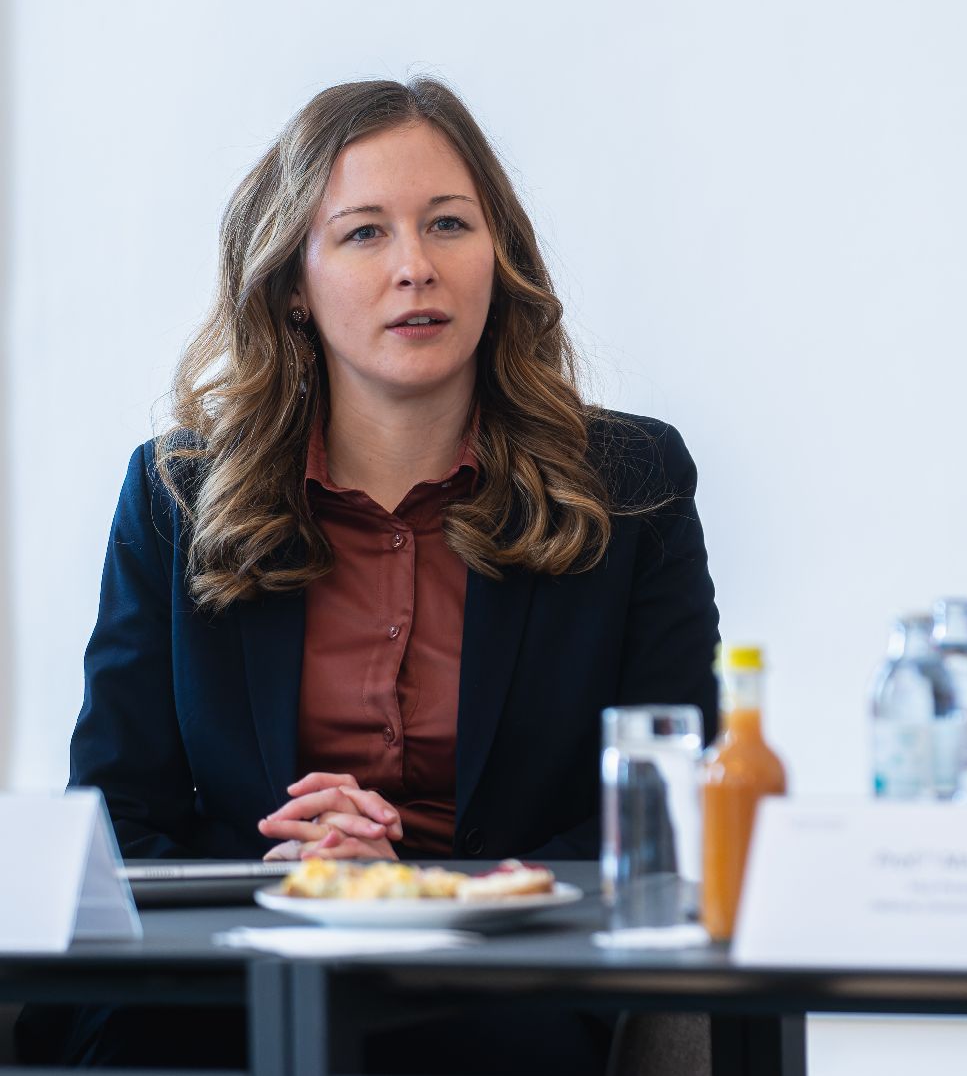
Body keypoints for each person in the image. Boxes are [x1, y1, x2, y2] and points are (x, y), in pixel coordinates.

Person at [25, 78, 718, 1072]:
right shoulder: (177, 494)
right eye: (361, 233)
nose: (414, 268)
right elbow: (118, 818)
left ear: (500, 259)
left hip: (498, 979)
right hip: (235, 971)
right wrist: (302, 879)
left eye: (448, 224)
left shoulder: (629, 486)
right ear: (292, 283)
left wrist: (416, 893)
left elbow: (667, 810)